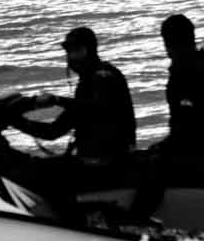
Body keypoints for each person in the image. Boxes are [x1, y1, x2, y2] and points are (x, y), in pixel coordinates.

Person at [10, 25, 138, 199]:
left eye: (77, 51)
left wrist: (58, 100)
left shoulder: (105, 76)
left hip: (108, 166)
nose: (72, 57)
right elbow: (53, 131)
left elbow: (96, 108)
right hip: (90, 163)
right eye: (69, 51)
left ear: (90, 50)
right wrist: (16, 121)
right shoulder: (84, 86)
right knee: (30, 169)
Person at [128, 13, 204, 218]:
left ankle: (136, 219)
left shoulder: (188, 71)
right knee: (148, 156)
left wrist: (160, 149)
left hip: (200, 156)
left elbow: (189, 127)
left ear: (168, 42)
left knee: (151, 164)